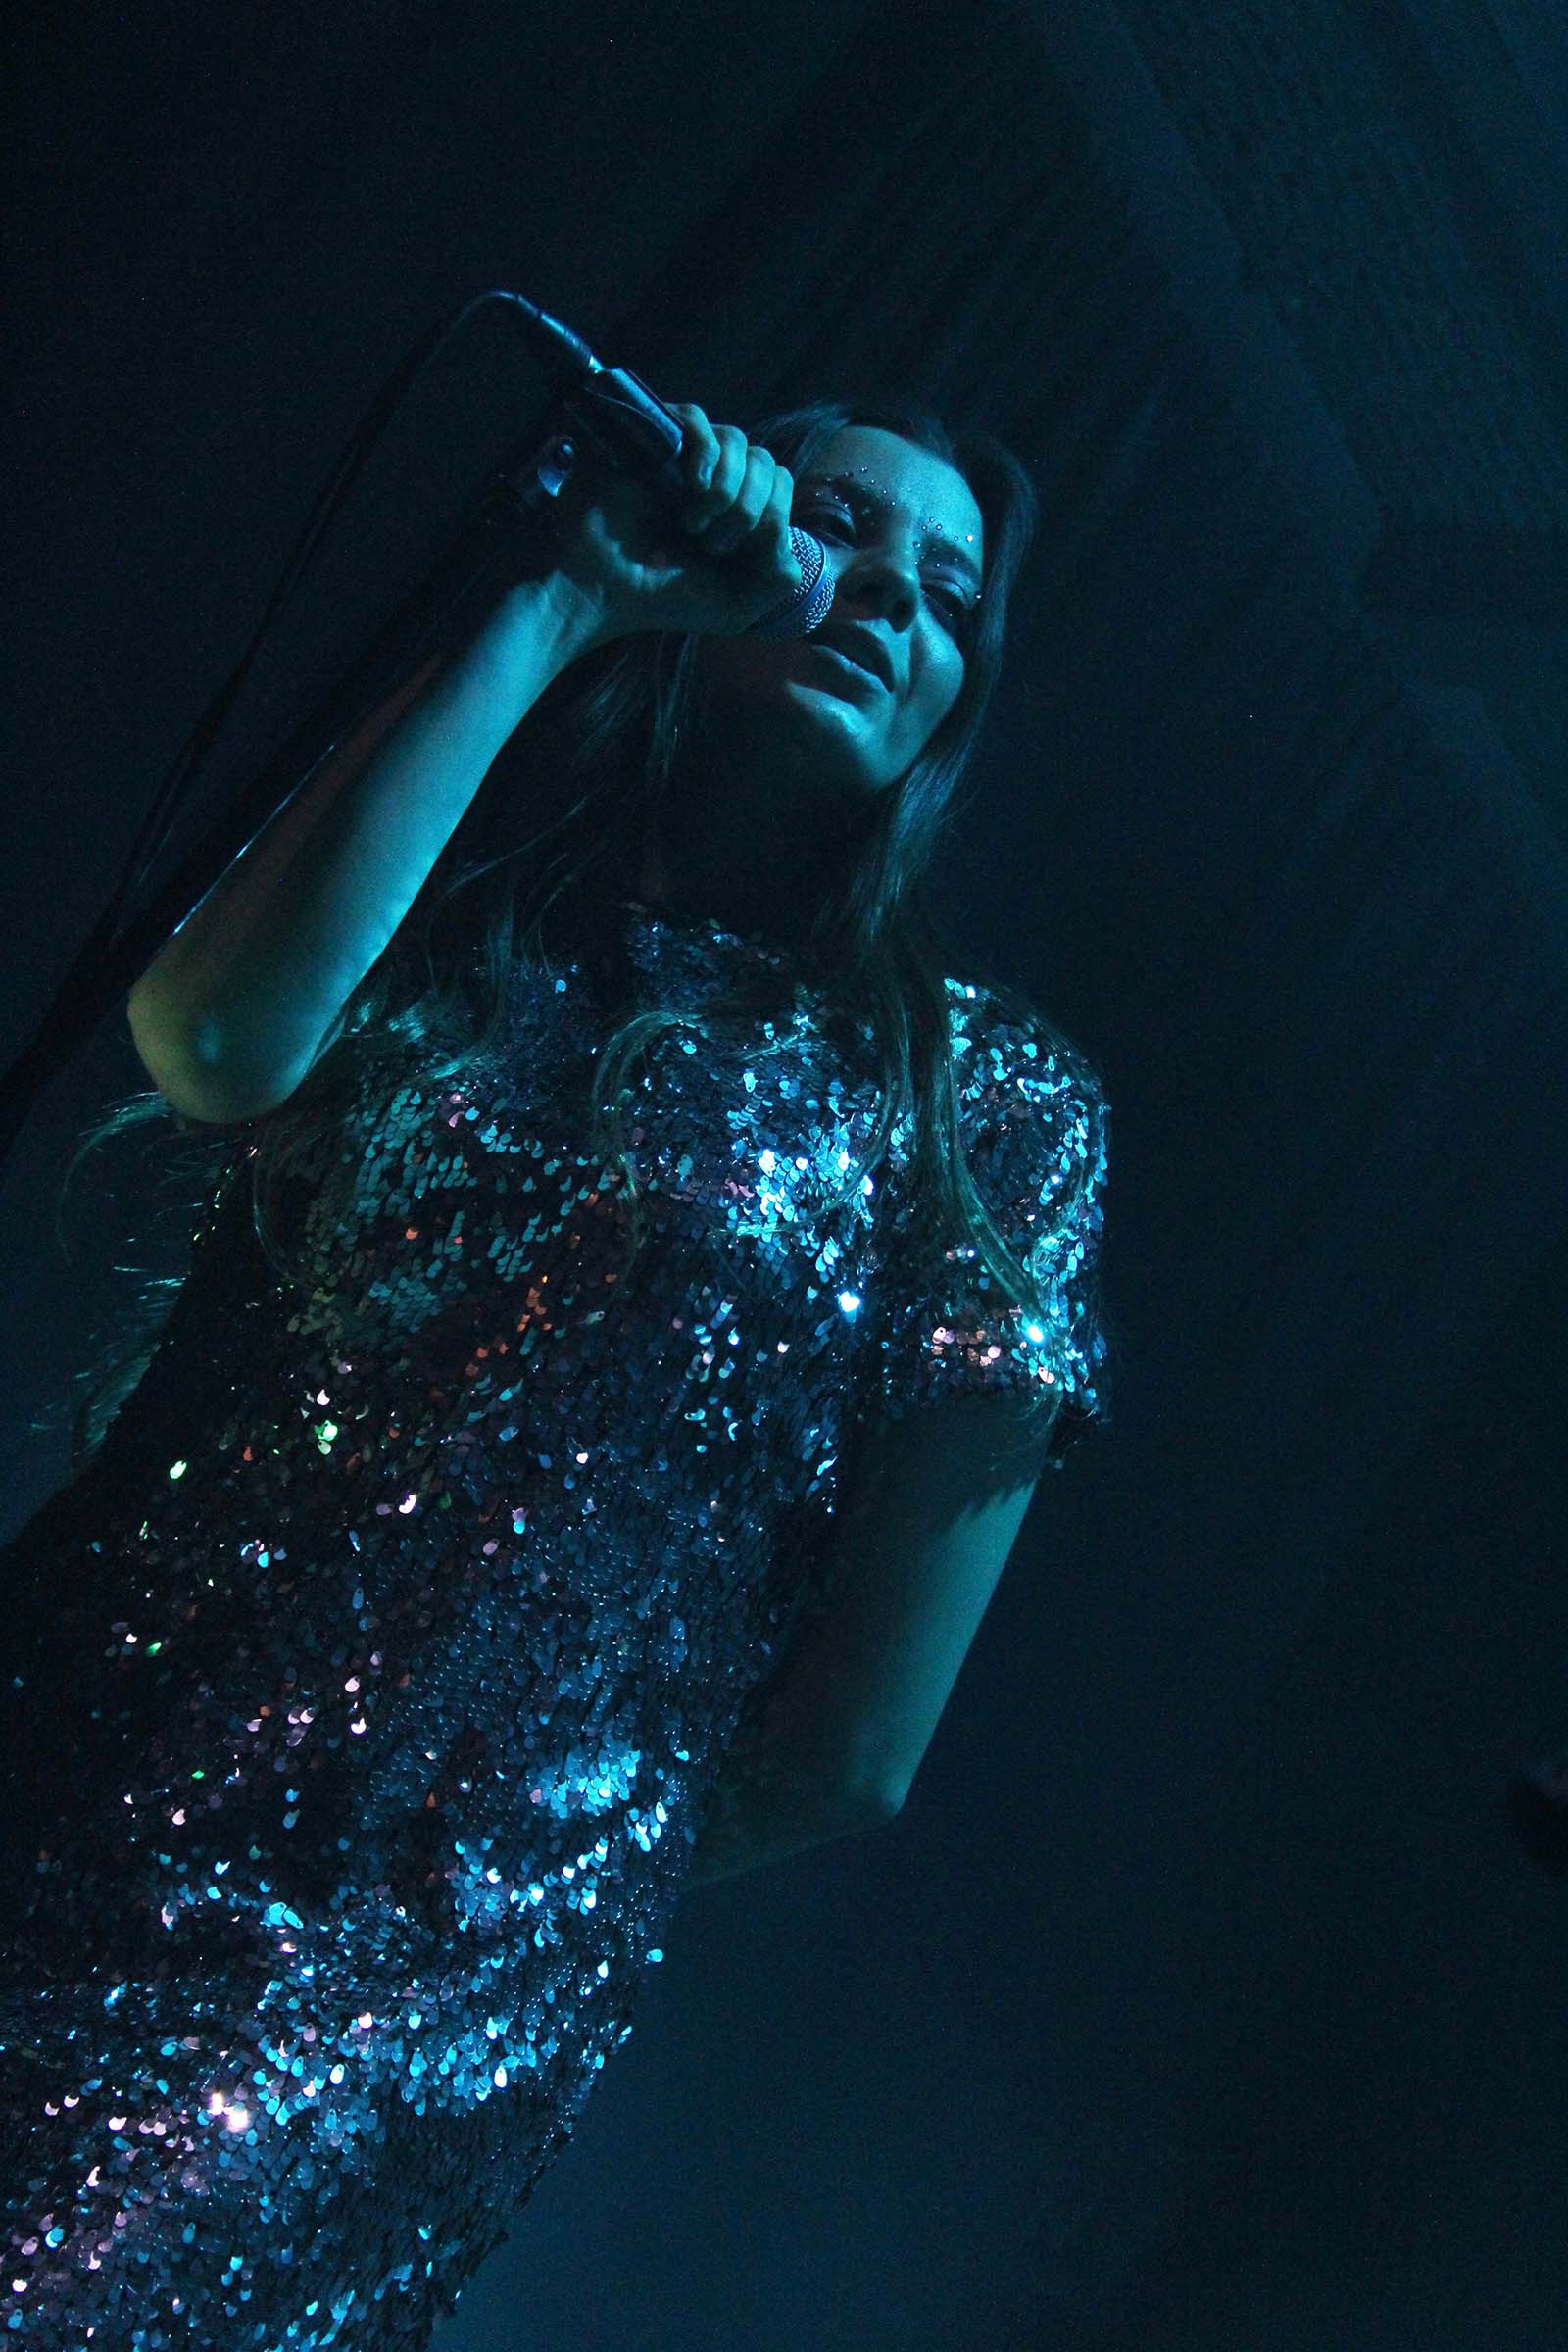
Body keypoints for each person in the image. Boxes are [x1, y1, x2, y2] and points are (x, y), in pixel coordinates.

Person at [0, 391, 1111, 2344]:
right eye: (839, 524)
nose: (892, 600)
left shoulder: (983, 1105)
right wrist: (568, 594)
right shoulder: (470, 880)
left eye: (953, 601)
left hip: (383, 1987)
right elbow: (217, 1042)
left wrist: (498, 1880)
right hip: (68, 1742)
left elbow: (850, 1754)